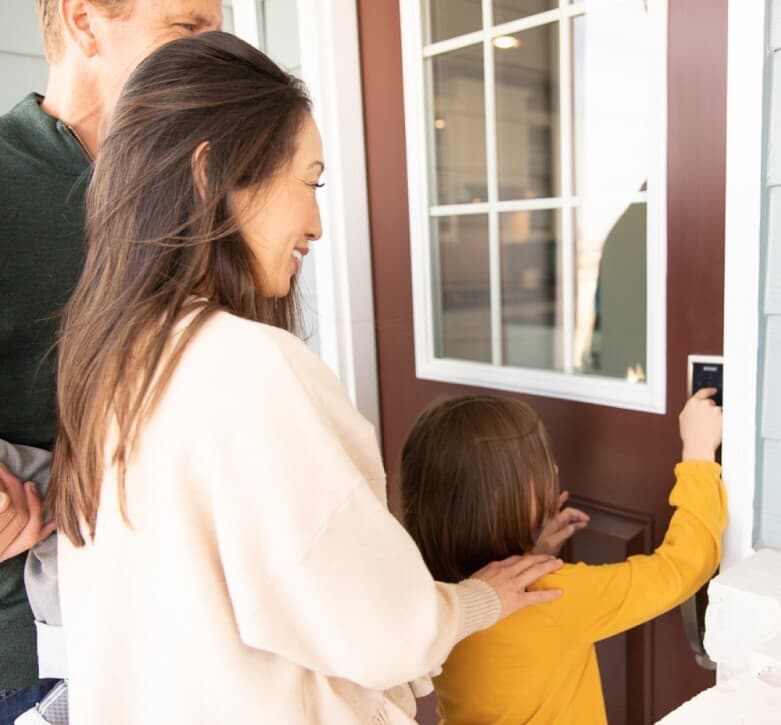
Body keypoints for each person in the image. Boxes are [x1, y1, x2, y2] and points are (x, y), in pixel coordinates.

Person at [50, 32, 564, 724]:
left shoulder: (106, 368)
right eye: (309, 181)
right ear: (212, 174)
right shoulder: (242, 366)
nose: (318, 223)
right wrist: (478, 598)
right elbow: (382, 623)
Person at [0, 1, 222, 721]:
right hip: (37, 654)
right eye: (186, 29)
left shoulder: (200, 185)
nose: (211, 53)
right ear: (84, 19)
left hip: (193, 622)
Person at [399, 391, 726, 724]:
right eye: (538, 464)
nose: (553, 468)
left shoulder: (431, 595)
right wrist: (699, 454)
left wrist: (535, 555)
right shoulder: (550, 596)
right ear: (499, 497)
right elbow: (679, 569)